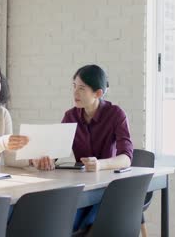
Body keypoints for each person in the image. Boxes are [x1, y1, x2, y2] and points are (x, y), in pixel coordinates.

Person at [42, 64, 134, 232]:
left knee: (92, 224)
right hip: (80, 188)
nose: (75, 93)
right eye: (74, 86)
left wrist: (100, 164)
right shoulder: (70, 116)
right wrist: (45, 158)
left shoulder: (116, 114)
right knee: (59, 221)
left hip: (107, 189)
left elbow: (126, 159)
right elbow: (55, 151)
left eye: (82, 88)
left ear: (98, 93)